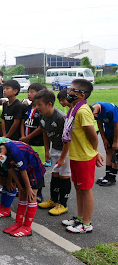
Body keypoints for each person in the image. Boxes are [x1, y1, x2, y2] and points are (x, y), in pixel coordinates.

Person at [60, 79, 104, 233]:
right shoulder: (73, 108)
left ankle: (86, 223)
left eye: (72, 89)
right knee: (78, 188)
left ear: (81, 94)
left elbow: (93, 135)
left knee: (85, 189)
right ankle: (79, 217)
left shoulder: (83, 110)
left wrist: (95, 151)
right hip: (77, 155)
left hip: (85, 157)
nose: (69, 91)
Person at [0, 141, 46, 237]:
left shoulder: (14, 152)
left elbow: (23, 170)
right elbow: (10, 170)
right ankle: (18, 223)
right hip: (22, 171)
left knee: (31, 196)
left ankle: (27, 227)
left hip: (34, 170)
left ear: (0, 156)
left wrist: (29, 188)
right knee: (22, 196)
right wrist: (20, 187)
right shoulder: (3, 150)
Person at [35, 89, 71, 216]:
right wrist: (46, 150)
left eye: (39, 104)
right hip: (54, 148)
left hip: (65, 150)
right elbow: (44, 132)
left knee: (64, 176)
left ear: (49, 104)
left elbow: (68, 139)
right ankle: (54, 200)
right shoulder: (42, 115)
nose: (37, 107)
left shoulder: (61, 117)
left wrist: (62, 157)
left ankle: (63, 204)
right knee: (54, 174)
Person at [92, 102, 118, 186]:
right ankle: (107, 176)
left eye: (94, 116)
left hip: (116, 132)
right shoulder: (93, 108)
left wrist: (116, 141)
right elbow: (99, 124)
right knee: (108, 152)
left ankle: (112, 178)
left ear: (95, 113)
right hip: (108, 132)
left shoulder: (109, 110)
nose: (94, 118)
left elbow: (117, 125)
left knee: (115, 155)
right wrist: (104, 139)